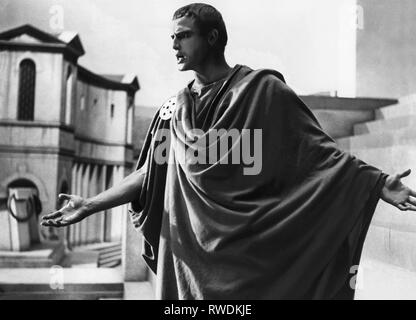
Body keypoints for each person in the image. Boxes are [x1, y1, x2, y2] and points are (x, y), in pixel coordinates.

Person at [41, 3, 416, 300]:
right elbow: (153, 174)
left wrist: (378, 183)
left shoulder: (264, 93)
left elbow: (318, 154)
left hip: (246, 256)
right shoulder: (174, 109)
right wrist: (91, 204)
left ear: (213, 37)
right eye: (172, 38)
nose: (174, 46)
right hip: (189, 256)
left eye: (183, 36)